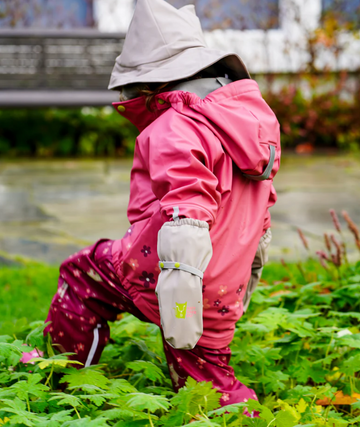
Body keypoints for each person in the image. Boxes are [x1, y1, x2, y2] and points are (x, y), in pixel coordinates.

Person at [44, 0, 280, 409]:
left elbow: (187, 207)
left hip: (166, 272)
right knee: (205, 381)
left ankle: (60, 378)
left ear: (150, 88)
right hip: (225, 283)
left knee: (83, 276)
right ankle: (236, 413)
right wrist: (251, 264)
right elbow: (261, 203)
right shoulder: (248, 121)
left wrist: (181, 286)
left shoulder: (176, 125)